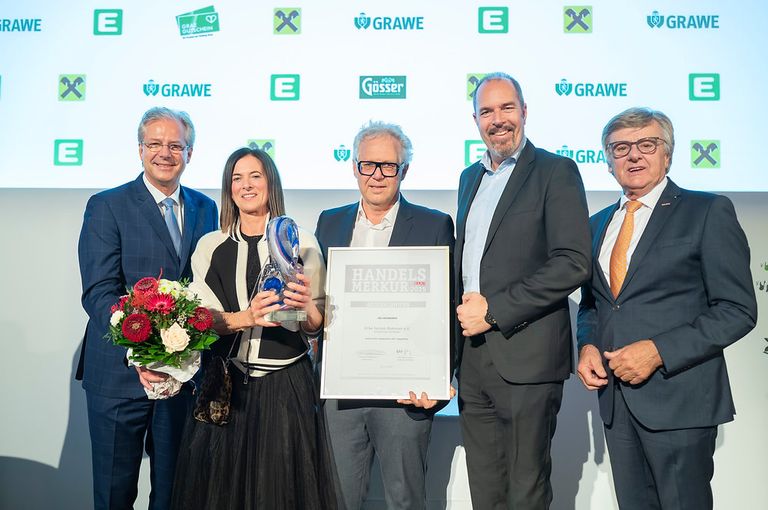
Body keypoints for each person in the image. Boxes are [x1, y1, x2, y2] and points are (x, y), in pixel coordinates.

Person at [576, 107, 757, 510]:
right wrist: (587, 345)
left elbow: (737, 309)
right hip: (617, 403)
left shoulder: (707, 211)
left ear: (667, 154)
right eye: (620, 148)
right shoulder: (595, 225)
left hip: (681, 401)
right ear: (607, 160)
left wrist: (657, 351)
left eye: (647, 144)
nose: (633, 155)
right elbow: (593, 303)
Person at [170, 147, 337, 509]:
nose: (246, 185)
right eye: (237, 178)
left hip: (286, 386)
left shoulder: (301, 240)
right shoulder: (210, 246)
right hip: (226, 388)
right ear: (228, 189)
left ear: (270, 183)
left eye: (255, 176)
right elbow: (202, 322)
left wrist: (306, 305)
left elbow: (315, 325)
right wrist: (246, 316)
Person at [455, 72, 591, 509]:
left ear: (525, 112)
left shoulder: (556, 171)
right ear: (476, 120)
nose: (498, 119)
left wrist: (494, 311)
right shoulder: (469, 178)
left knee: (526, 490)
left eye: (507, 108)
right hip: (473, 359)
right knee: (485, 491)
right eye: (487, 111)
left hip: (527, 356)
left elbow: (573, 262)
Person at [77, 107, 218, 509]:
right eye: (155, 144)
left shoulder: (206, 208)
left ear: (189, 153)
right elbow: (99, 291)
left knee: (175, 493)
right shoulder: (108, 205)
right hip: (119, 376)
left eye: (175, 145)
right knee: (114, 494)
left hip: (182, 378)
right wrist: (141, 353)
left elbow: (205, 288)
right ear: (140, 149)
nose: (165, 153)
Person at [315, 121, 455, 510]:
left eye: (388, 166)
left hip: (405, 392)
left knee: (404, 499)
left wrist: (442, 377)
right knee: (337, 498)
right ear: (354, 167)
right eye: (368, 165)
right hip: (341, 391)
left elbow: (445, 307)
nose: (377, 175)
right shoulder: (329, 222)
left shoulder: (433, 225)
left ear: (403, 171)